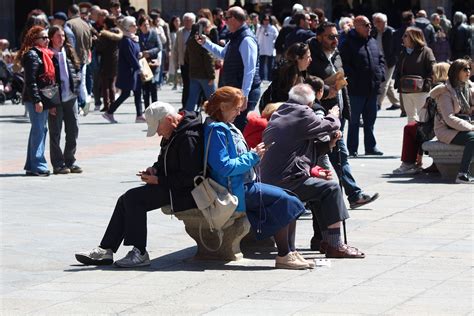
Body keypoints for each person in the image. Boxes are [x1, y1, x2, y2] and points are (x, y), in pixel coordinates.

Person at [75, 102, 204, 267]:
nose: (158, 133)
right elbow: (163, 160)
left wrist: (159, 180)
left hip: (185, 192)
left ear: (170, 119)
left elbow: (190, 177)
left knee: (134, 199)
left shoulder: (188, 137)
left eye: (158, 128)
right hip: (172, 186)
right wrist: (155, 170)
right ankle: (106, 249)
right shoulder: (174, 131)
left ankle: (140, 252)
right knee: (126, 199)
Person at [202, 86, 311, 269]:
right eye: (236, 108)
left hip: (244, 184)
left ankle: (290, 251)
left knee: (291, 198)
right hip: (233, 190)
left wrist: (253, 156)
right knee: (285, 201)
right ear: (222, 106)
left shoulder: (226, 127)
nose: (239, 112)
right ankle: (284, 254)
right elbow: (224, 167)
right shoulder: (217, 131)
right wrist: (253, 156)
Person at [260, 84, 365, 258]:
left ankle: (324, 240)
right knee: (331, 188)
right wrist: (334, 115)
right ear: (309, 103)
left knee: (319, 189)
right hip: (285, 182)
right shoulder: (302, 112)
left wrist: (329, 143)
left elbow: (300, 147)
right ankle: (335, 245)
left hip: (272, 180)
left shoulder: (281, 112)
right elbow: (330, 125)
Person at [307, 25, 380, 209]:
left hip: (337, 112)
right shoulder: (310, 55)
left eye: (336, 36)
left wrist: (345, 107)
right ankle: (348, 195)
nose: (335, 40)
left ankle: (352, 195)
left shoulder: (336, 54)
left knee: (338, 155)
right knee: (331, 155)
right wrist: (324, 89)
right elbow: (305, 82)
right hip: (320, 114)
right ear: (319, 37)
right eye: (330, 37)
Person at [197, 6, 261, 131]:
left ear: (235, 19)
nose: (224, 21)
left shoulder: (246, 39)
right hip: (236, 91)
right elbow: (223, 53)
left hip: (243, 92)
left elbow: (250, 69)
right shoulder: (236, 36)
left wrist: (244, 95)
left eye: (226, 17)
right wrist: (206, 43)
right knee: (233, 126)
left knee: (240, 127)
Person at [393, 62, 450, 175]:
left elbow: (427, 118)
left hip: (437, 127)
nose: (431, 76)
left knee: (410, 128)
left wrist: (420, 153)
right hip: (444, 125)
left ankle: (408, 163)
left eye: (433, 73)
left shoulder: (436, 90)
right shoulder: (449, 87)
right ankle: (419, 162)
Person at [340, 15, 385, 157]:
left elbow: (381, 59)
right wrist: (353, 78)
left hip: (372, 88)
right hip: (356, 89)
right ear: (356, 26)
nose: (369, 27)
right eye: (366, 25)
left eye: (369, 25)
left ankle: (370, 147)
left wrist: (381, 75)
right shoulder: (348, 42)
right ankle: (352, 148)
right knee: (354, 121)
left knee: (370, 120)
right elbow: (344, 64)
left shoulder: (372, 41)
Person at [16, 26, 58, 176]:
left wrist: (50, 103)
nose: (47, 40)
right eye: (44, 38)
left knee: (39, 130)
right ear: (35, 40)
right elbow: (31, 81)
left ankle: (31, 165)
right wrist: (37, 101)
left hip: (43, 98)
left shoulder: (45, 54)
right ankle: (38, 165)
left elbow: (48, 81)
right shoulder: (32, 55)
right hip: (35, 98)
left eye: (47, 37)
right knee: (39, 130)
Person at [430, 59, 474, 184]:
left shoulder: (467, 88)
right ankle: (462, 174)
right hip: (446, 130)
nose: (468, 72)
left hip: (462, 126)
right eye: (465, 69)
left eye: (469, 68)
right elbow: (449, 118)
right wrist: (470, 127)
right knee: (473, 138)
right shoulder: (445, 92)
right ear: (456, 72)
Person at [47, 25, 82, 175]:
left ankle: (70, 160)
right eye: (58, 36)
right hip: (56, 100)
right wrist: (50, 102)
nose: (61, 39)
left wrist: (78, 85)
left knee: (73, 129)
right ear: (51, 38)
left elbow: (77, 70)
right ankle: (58, 163)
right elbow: (47, 81)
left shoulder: (68, 52)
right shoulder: (48, 55)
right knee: (55, 132)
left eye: (62, 36)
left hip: (71, 97)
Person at [102, 16, 144, 123]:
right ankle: (109, 112)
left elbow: (136, 52)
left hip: (134, 70)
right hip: (128, 71)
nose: (135, 27)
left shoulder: (133, 38)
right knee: (125, 93)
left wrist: (140, 54)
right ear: (127, 27)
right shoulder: (125, 40)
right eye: (133, 25)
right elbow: (130, 57)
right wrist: (139, 68)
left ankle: (139, 115)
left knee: (138, 91)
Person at [393, 27, 436, 123]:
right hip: (405, 90)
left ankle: (424, 136)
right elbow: (399, 70)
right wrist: (398, 83)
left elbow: (433, 70)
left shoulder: (426, 51)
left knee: (423, 117)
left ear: (414, 37)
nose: (402, 38)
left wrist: (427, 84)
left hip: (421, 90)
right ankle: (412, 137)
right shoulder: (403, 52)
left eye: (405, 36)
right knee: (410, 117)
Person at [184, 18, 216, 112]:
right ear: (204, 28)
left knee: (191, 99)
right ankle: (217, 117)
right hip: (205, 75)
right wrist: (212, 76)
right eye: (209, 26)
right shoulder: (204, 40)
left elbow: (186, 58)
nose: (210, 28)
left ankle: (187, 118)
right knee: (213, 99)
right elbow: (208, 59)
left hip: (193, 74)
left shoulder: (190, 40)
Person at [67, 4, 92, 116]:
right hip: (84, 56)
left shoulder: (69, 24)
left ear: (69, 12)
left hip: (73, 57)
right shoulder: (86, 24)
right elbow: (90, 43)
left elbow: (69, 42)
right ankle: (83, 102)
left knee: (74, 81)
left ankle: (80, 104)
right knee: (81, 81)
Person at [372, 13, 400, 111]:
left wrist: (394, 58)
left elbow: (397, 48)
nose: (376, 24)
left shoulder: (391, 32)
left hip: (389, 61)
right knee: (388, 83)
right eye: (375, 21)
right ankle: (396, 103)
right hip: (377, 61)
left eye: (378, 21)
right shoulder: (374, 32)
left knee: (383, 83)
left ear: (385, 22)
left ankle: (377, 104)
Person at [95, 15, 122, 113]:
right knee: (112, 83)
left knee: (105, 84)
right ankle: (113, 103)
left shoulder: (105, 35)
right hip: (115, 59)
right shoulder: (119, 33)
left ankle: (107, 104)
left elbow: (100, 48)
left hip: (106, 60)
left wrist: (96, 41)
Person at [138, 15, 162, 109]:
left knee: (153, 86)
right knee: (145, 88)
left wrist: (149, 52)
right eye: (144, 25)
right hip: (143, 64)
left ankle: (155, 108)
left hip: (153, 63)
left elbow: (159, 47)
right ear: (140, 26)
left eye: (148, 24)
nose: (146, 26)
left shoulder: (154, 33)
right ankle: (147, 108)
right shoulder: (138, 36)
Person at [173, 12, 196, 108]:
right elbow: (176, 48)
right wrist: (176, 62)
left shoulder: (197, 31)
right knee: (186, 85)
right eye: (185, 20)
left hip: (195, 63)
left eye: (189, 21)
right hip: (184, 62)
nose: (187, 22)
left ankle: (195, 104)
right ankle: (185, 105)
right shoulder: (180, 32)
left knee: (195, 85)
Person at [256, 14, 278, 82]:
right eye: (265, 20)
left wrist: (273, 43)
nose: (266, 21)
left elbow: (276, 37)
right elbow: (256, 37)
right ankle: (261, 78)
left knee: (270, 65)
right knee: (261, 65)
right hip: (262, 49)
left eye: (268, 20)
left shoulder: (272, 28)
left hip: (270, 49)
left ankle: (270, 79)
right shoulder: (260, 28)